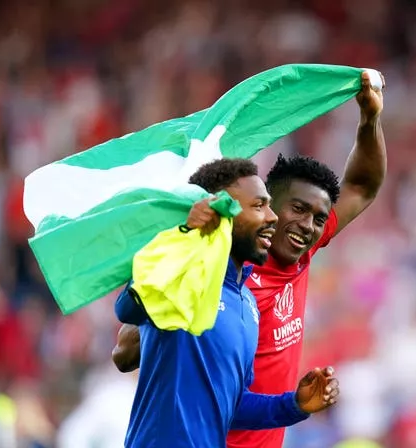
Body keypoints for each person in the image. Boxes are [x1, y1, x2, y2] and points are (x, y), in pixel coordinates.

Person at [113, 70, 386, 448]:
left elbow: (361, 186)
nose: (307, 227)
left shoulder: (250, 297)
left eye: (318, 219)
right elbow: (127, 344)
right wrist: (183, 254)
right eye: (293, 209)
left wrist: (370, 118)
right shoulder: (202, 269)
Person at [115, 158, 340, 448]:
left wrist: (294, 404)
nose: (272, 217)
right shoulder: (186, 274)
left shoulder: (247, 303)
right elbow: (126, 308)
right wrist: (187, 236)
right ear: (221, 213)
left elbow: (232, 402)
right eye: (259, 206)